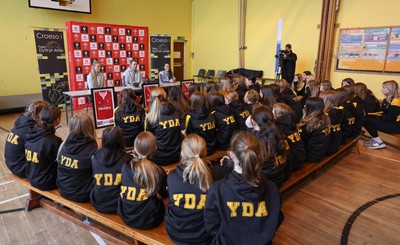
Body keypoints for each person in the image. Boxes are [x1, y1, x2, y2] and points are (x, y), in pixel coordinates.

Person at [204, 131, 283, 245]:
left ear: (231, 154)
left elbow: (211, 227)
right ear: (258, 155)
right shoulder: (272, 188)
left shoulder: (217, 189)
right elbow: (276, 220)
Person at [165, 134, 213, 245]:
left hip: (176, 233)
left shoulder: (172, 177)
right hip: (203, 235)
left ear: (182, 154)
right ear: (205, 152)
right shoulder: (214, 175)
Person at [118, 132, 168, 229]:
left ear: (135, 148)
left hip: (126, 216)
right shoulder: (157, 171)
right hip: (149, 220)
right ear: (155, 148)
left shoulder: (125, 167)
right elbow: (165, 194)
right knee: (167, 199)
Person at [57, 113, 98, 202]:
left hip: (63, 188)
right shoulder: (94, 149)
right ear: (90, 127)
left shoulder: (63, 144)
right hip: (82, 194)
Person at [91, 126, 133, 213]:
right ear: (121, 141)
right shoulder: (127, 159)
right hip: (118, 205)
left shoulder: (95, 157)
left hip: (98, 202)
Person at [246, 105, 289, 188]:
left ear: (253, 121)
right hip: (279, 178)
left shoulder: (254, 141)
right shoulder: (278, 133)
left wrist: (248, 128)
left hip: (265, 184)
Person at [5, 100, 49, 178]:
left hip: (12, 164)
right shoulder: (31, 130)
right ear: (40, 114)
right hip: (21, 169)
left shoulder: (21, 122)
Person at [25, 105, 62, 191]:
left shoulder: (31, 133)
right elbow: (61, 163)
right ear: (58, 120)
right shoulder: (54, 141)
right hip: (46, 182)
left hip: (31, 177)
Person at [145, 87, 182, 165]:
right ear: (166, 97)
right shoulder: (176, 112)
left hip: (159, 158)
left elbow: (148, 141)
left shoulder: (150, 118)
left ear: (151, 99)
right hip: (177, 155)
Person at [363, 80, 400, 149]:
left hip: (397, 126)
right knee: (366, 119)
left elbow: (389, 117)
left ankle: (379, 142)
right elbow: (381, 112)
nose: (381, 89)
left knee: (367, 121)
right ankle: (375, 140)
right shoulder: (386, 100)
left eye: (384, 87)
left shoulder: (396, 101)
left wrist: (374, 118)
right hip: (391, 122)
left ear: (390, 89)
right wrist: (368, 114)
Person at [272, 103, 306, 171]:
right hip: (301, 157)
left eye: (272, 110)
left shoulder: (280, 128)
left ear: (277, 114)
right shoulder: (290, 124)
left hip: (294, 162)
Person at [298, 97, 331, 163]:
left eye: (306, 105)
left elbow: (303, 139)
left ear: (309, 107)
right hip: (321, 152)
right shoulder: (325, 118)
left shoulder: (310, 123)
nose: (304, 106)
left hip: (312, 156)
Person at [320, 90, 344, 155]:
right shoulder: (338, 110)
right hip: (336, 143)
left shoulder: (327, 114)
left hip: (328, 146)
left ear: (326, 101)